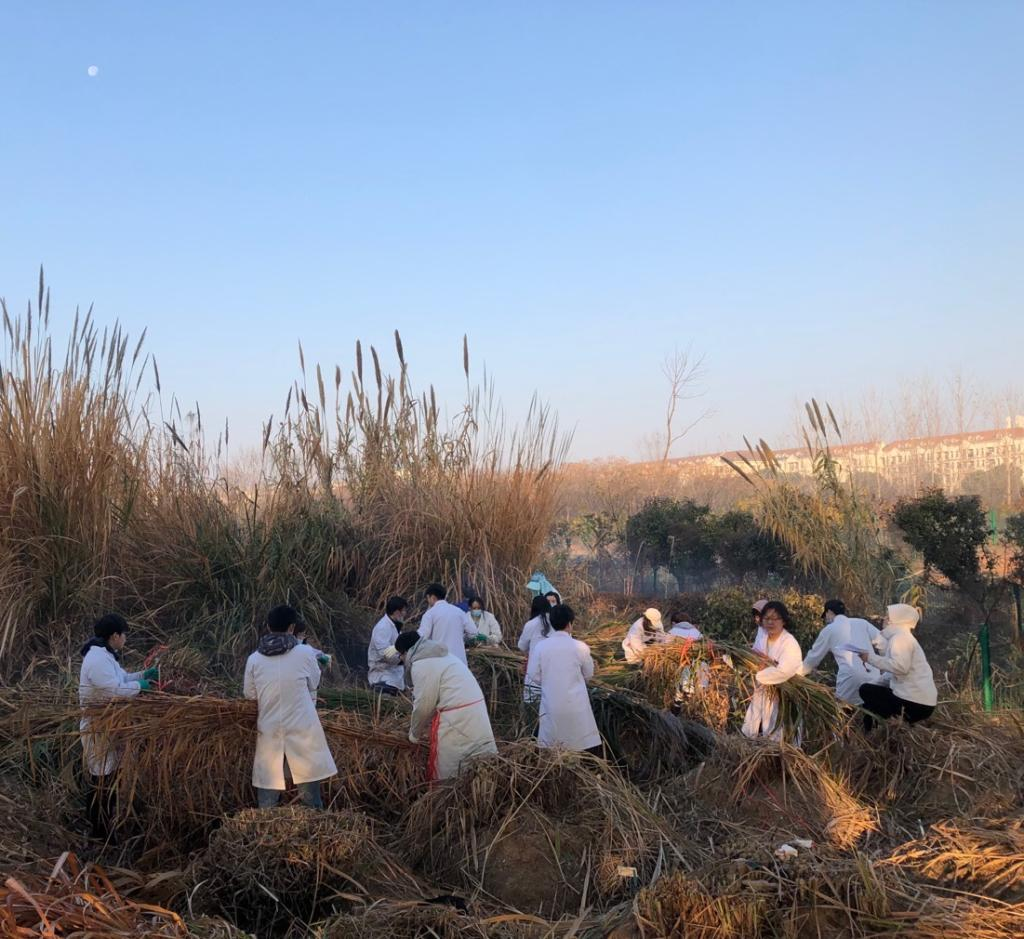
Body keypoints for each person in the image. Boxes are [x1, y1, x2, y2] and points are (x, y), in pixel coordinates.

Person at [244, 604, 337, 809]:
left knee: (267, 797)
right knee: (311, 797)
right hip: (302, 727)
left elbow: (250, 695)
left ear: (268, 626)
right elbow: (314, 683)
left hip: (270, 728)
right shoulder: (304, 653)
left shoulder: (254, 659)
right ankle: (317, 830)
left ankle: (262, 831)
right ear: (292, 627)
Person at [78, 613, 157, 839]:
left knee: (109, 778)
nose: (125, 640)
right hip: (98, 728)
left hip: (108, 728)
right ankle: (98, 832)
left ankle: (104, 827)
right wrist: (140, 687)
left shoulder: (106, 656)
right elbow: (114, 691)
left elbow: (122, 679)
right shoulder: (97, 660)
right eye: (124, 635)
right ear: (115, 636)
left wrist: (143, 675)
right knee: (101, 781)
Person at [395, 630, 497, 781]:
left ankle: (450, 799)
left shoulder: (422, 663)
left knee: (453, 769)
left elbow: (424, 706)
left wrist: (414, 735)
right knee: (481, 763)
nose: (402, 659)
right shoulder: (441, 654)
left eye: (401, 655)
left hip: (457, 718)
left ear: (406, 652)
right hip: (474, 710)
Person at [526, 604, 602, 756]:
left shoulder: (541, 647)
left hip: (551, 704)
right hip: (576, 704)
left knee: (553, 745)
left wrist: (550, 681)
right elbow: (588, 674)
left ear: (552, 623)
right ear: (570, 624)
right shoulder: (580, 647)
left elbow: (533, 674)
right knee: (578, 743)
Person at [857, 604, 937, 729]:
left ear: (894, 621)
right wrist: (874, 682)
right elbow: (891, 674)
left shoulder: (900, 639)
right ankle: (874, 732)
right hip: (922, 702)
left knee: (866, 691)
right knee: (870, 699)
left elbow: (900, 667)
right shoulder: (903, 637)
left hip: (912, 703)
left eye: (887, 616)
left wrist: (870, 658)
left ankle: (872, 734)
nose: (884, 619)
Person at [797, 599, 883, 706]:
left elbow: (813, 658)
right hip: (874, 676)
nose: (826, 619)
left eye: (825, 616)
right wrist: (884, 664)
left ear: (829, 612)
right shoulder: (862, 623)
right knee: (869, 712)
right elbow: (883, 641)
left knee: (842, 711)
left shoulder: (830, 629)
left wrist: (796, 675)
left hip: (850, 678)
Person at [741, 600, 802, 741]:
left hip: (781, 697)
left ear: (784, 621)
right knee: (755, 732)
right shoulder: (762, 637)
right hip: (762, 694)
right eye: (767, 618)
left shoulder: (789, 643)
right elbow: (755, 656)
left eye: (775, 618)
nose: (770, 622)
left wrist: (760, 674)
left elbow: (785, 671)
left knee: (777, 738)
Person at [418, 583, 477, 665]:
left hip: (440, 661)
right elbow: (473, 632)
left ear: (432, 597)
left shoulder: (430, 614)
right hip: (459, 661)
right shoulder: (459, 611)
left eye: (427, 598)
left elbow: (422, 637)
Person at [367, 596, 408, 695]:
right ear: (396, 612)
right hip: (383, 678)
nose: (405, 614)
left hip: (394, 678)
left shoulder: (395, 626)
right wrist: (402, 657)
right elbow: (385, 653)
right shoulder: (382, 628)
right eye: (404, 611)